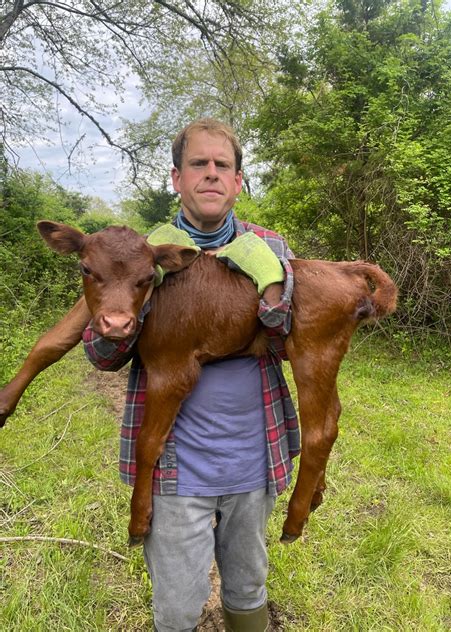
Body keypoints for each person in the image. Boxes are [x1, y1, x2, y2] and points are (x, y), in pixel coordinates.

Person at [83, 119, 300, 632]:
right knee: (179, 602)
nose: (211, 174)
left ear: (238, 181)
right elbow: (101, 355)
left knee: (249, 584)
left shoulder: (271, 247)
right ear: (176, 179)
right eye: (197, 164)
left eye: (222, 165)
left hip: (254, 453)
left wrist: (268, 291)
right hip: (177, 468)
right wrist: (133, 305)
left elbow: (293, 342)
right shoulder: (140, 251)